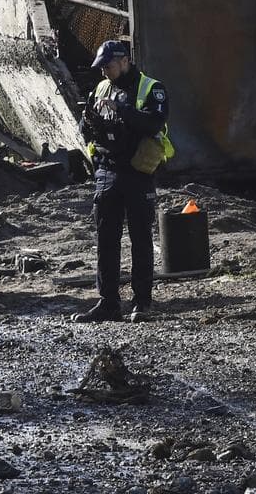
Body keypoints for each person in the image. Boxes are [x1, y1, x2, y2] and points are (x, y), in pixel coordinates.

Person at [75, 39, 171, 324]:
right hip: (107, 170)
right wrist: (89, 118)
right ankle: (108, 304)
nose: (104, 71)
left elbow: (155, 123)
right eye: (101, 67)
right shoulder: (101, 87)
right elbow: (85, 129)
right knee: (106, 239)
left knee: (140, 238)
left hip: (138, 171)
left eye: (108, 66)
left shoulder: (152, 88)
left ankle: (142, 303)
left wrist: (121, 111)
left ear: (124, 61)